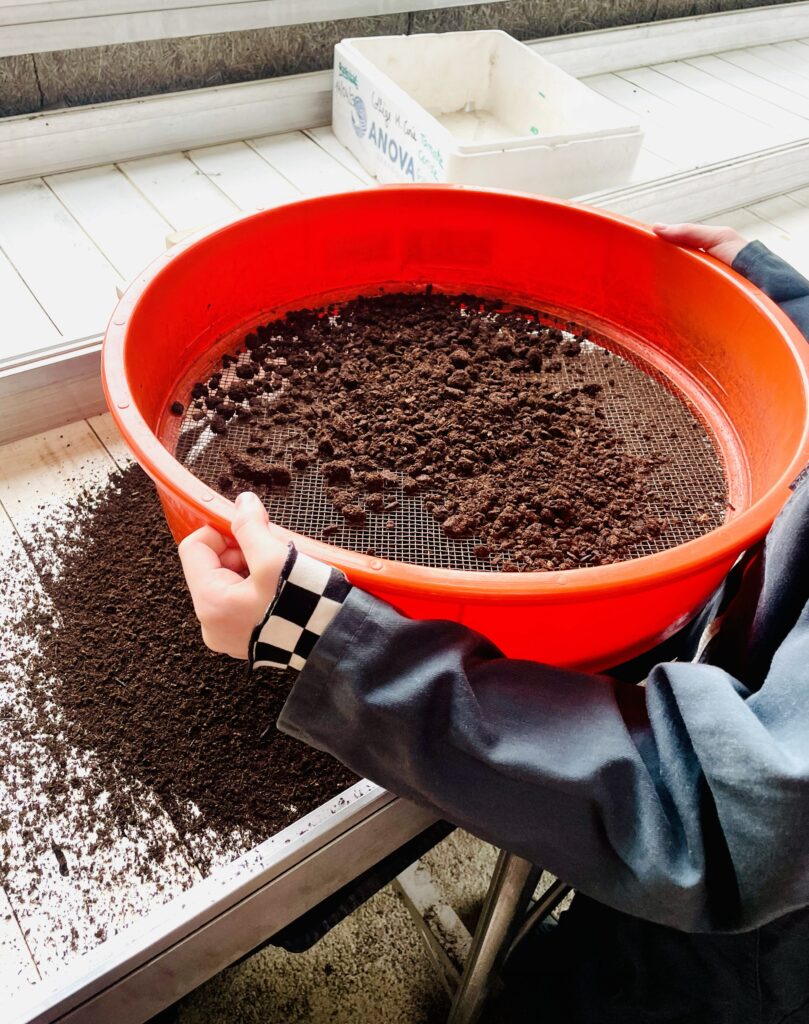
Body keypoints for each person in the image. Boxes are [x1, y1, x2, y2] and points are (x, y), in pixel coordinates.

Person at [178, 222, 809, 1024]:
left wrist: (322, 637)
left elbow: (726, 826)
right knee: (605, 930)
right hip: (733, 669)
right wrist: (781, 301)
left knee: (631, 987)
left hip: (754, 939)